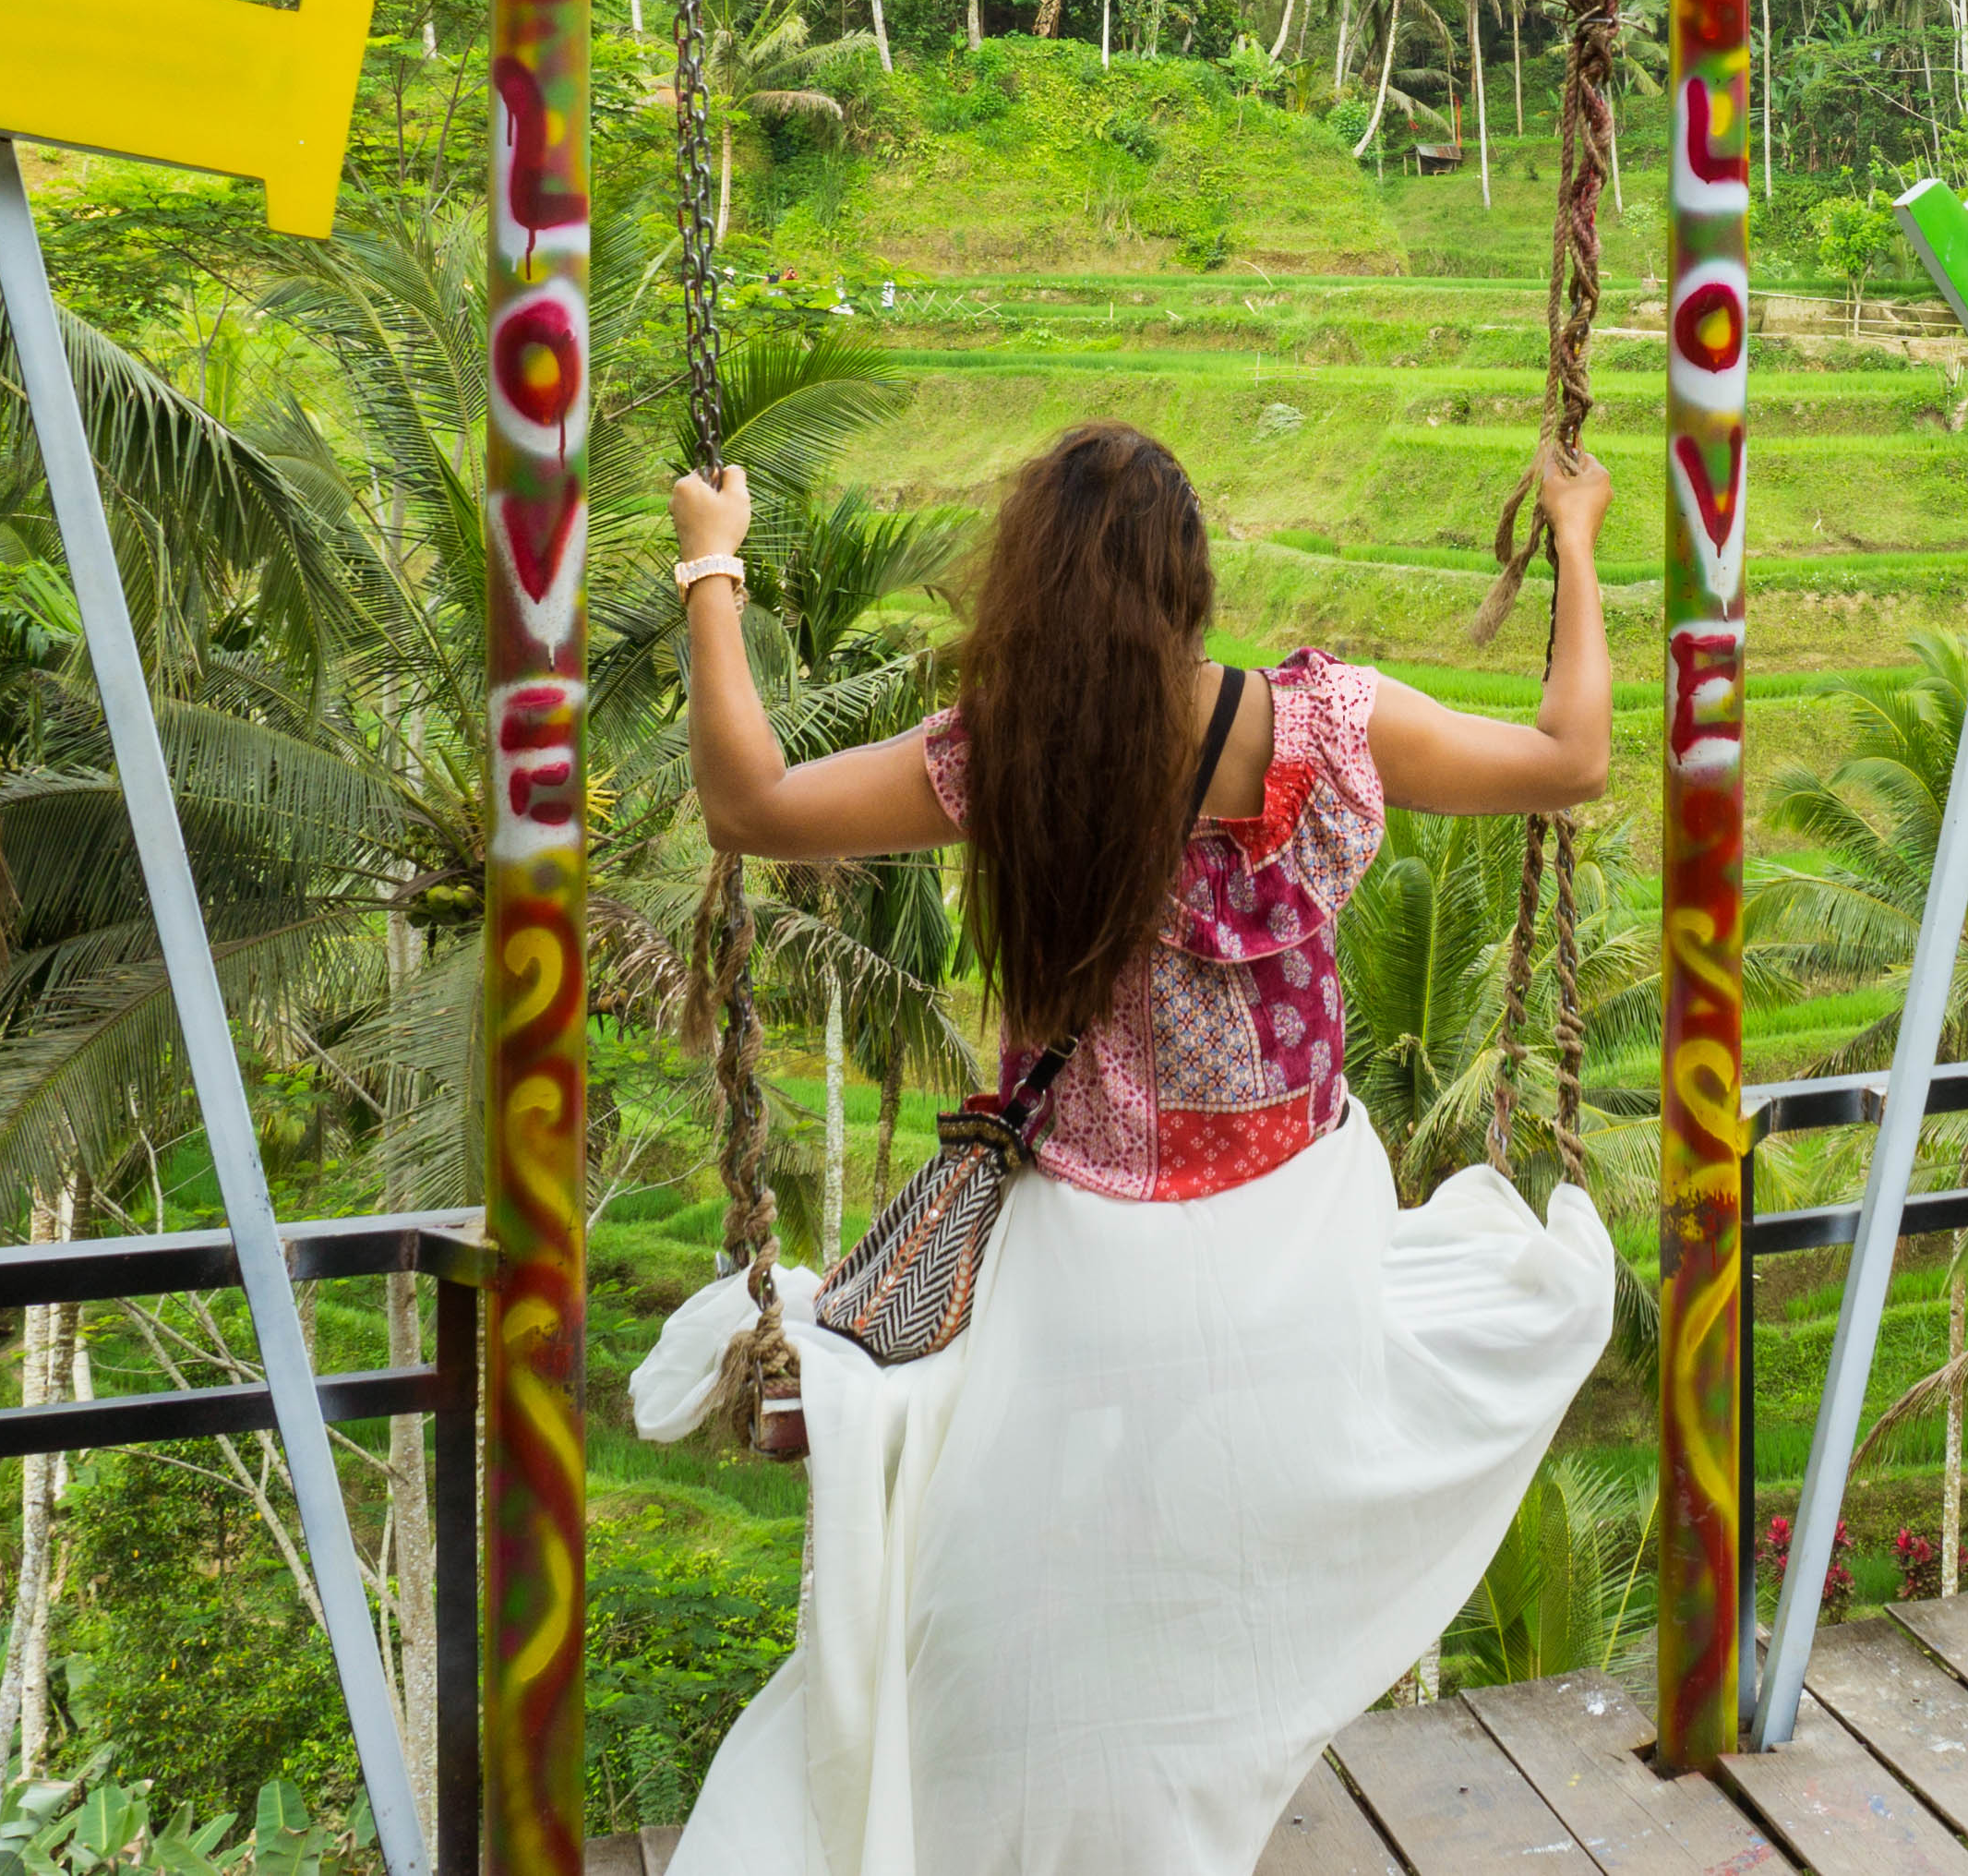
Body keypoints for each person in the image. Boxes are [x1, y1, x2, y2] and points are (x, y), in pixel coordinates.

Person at [634, 421, 1620, 1876]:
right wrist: (1577, 544)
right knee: (1502, 1301)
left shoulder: (1001, 762)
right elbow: (1569, 759)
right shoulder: (1332, 729)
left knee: (1043, 1597)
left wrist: (711, 565)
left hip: (1088, 1265)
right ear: (1194, 583)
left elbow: (752, 805)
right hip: (1303, 1240)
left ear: (1030, 594)